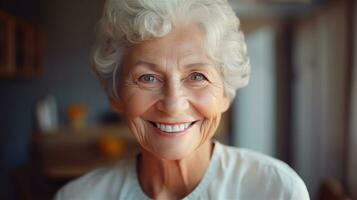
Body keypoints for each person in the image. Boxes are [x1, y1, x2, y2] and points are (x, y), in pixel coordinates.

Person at [55, 0, 310, 199]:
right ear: (116, 95)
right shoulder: (78, 197)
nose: (173, 104)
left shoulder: (276, 190)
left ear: (224, 94)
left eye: (197, 76)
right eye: (147, 78)